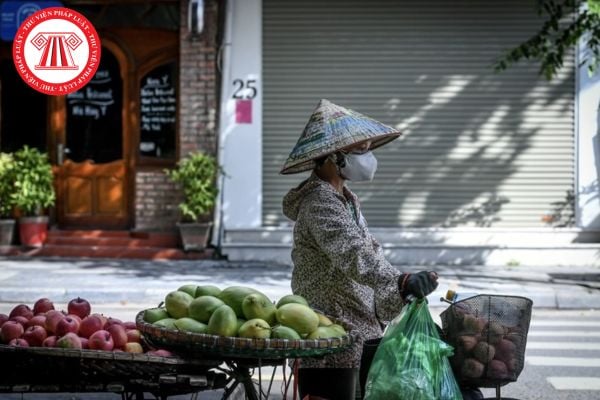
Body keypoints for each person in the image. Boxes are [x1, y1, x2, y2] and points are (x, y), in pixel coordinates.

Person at [280, 99, 440, 399]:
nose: (369, 158)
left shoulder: (346, 199)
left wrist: (399, 290)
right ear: (332, 157)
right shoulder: (320, 203)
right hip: (330, 330)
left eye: (369, 149)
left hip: (359, 327)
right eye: (361, 150)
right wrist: (399, 279)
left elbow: (370, 255)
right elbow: (353, 254)